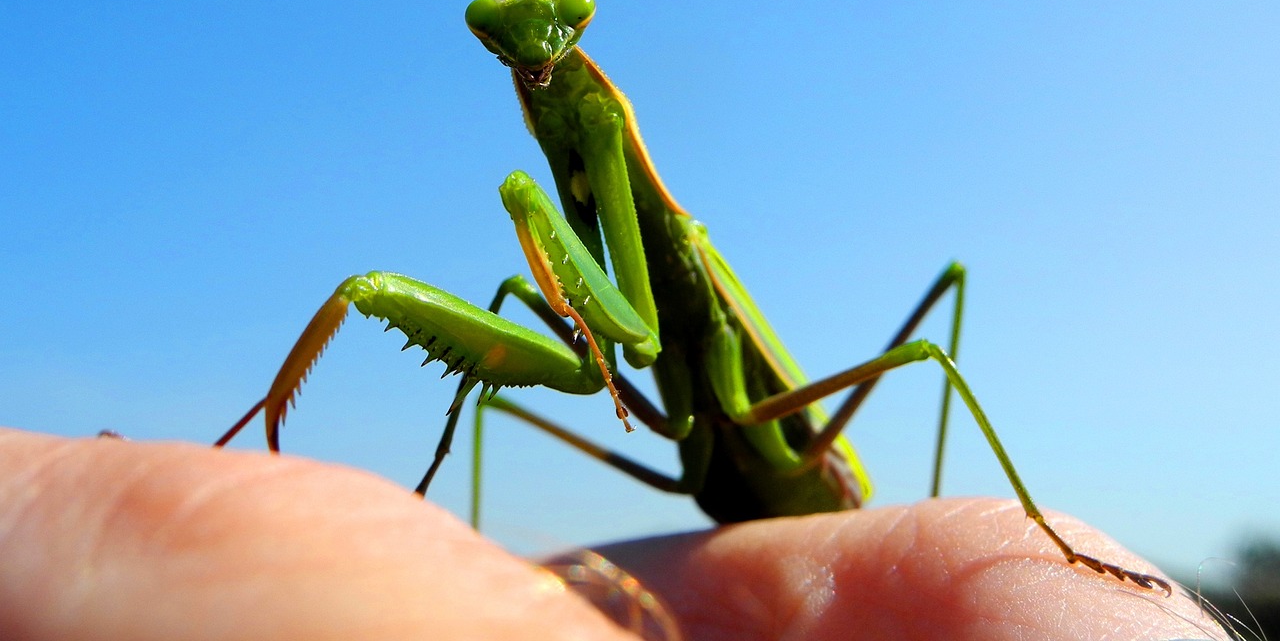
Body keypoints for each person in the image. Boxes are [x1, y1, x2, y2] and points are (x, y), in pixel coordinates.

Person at [0, 428, 1227, 641]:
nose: (529, 70)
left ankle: (1051, 550)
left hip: (793, 465)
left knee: (929, 336)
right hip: (713, 480)